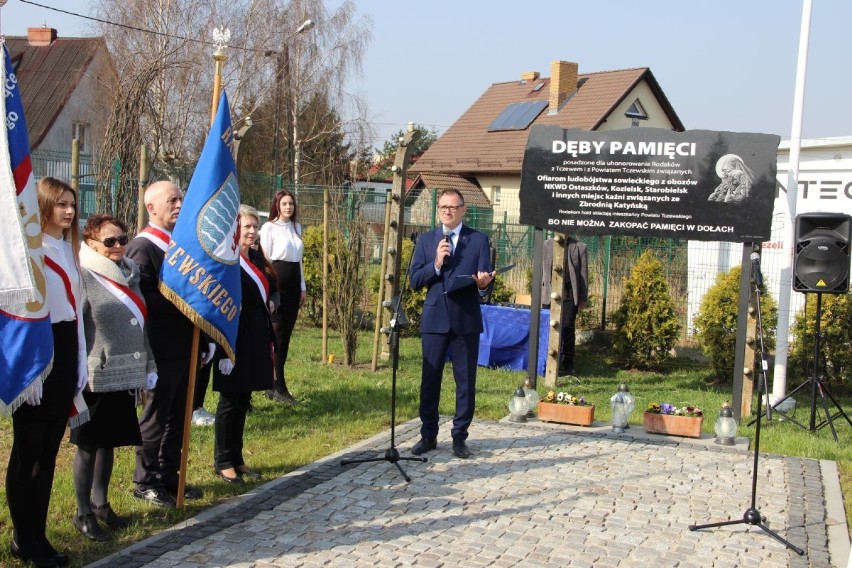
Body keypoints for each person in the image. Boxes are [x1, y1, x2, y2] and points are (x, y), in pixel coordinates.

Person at [6, 177, 86, 568]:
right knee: (27, 452)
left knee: (49, 453)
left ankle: (38, 535)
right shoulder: (28, 250)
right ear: (43, 207)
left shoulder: (71, 250)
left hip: (66, 346)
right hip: (38, 350)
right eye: (60, 204)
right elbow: (19, 313)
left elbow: (76, 312)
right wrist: (29, 370)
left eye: (72, 204)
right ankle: (23, 538)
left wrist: (81, 359)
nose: (69, 211)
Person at [126, 180, 212, 508]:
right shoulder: (143, 247)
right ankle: (144, 479)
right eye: (172, 200)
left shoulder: (181, 245)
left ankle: (169, 475)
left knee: (179, 414)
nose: (179, 204)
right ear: (152, 208)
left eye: (181, 198)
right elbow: (142, 297)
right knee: (157, 415)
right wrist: (181, 301)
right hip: (159, 347)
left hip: (184, 345)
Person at [71, 214, 157, 541]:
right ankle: (82, 513)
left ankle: (101, 504)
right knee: (88, 445)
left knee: (109, 443)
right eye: (109, 241)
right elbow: (74, 328)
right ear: (91, 244)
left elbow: (141, 325)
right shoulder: (83, 276)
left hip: (124, 373)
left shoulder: (129, 275)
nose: (119, 245)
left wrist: (149, 367)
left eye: (122, 238)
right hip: (94, 375)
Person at [408, 188, 494, 459]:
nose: (447, 211)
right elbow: (414, 281)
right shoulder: (426, 240)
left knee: (465, 381)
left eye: (453, 207)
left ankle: (459, 437)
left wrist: (482, 286)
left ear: (463, 210)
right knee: (430, 380)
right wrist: (435, 263)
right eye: (443, 207)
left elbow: (485, 284)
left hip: (465, 320)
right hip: (434, 320)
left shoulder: (478, 240)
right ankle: (428, 435)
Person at [212, 205, 276, 483]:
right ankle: (223, 460)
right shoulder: (227, 261)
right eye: (246, 226)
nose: (252, 231)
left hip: (255, 335)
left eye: (254, 226)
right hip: (234, 337)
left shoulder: (256, 259)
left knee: (243, 400)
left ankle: (237, 458)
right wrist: (224, 348)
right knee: (229, 401)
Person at [258, 189, 304, 405]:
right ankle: (277, 385)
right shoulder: (269, 228)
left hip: (294, 288)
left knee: (286, 337)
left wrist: (302, 287)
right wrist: (270, 290)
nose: (288, 207)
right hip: (278, 286)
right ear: (277, 205)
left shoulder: (296, 228)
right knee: (276, 336)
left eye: (291, 204)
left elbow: (299, 262)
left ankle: (274, 382)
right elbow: (265, 260)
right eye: (284, 204)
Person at [542, 237, 588, 376]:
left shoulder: (580, 247)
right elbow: (542, 270)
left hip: (569, 295)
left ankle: (568, 363)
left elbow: (583, 275)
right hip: (549, 294)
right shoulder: (547, 244)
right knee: (548, 329)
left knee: (567, 329)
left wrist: (582, 298)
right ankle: (545, 362)